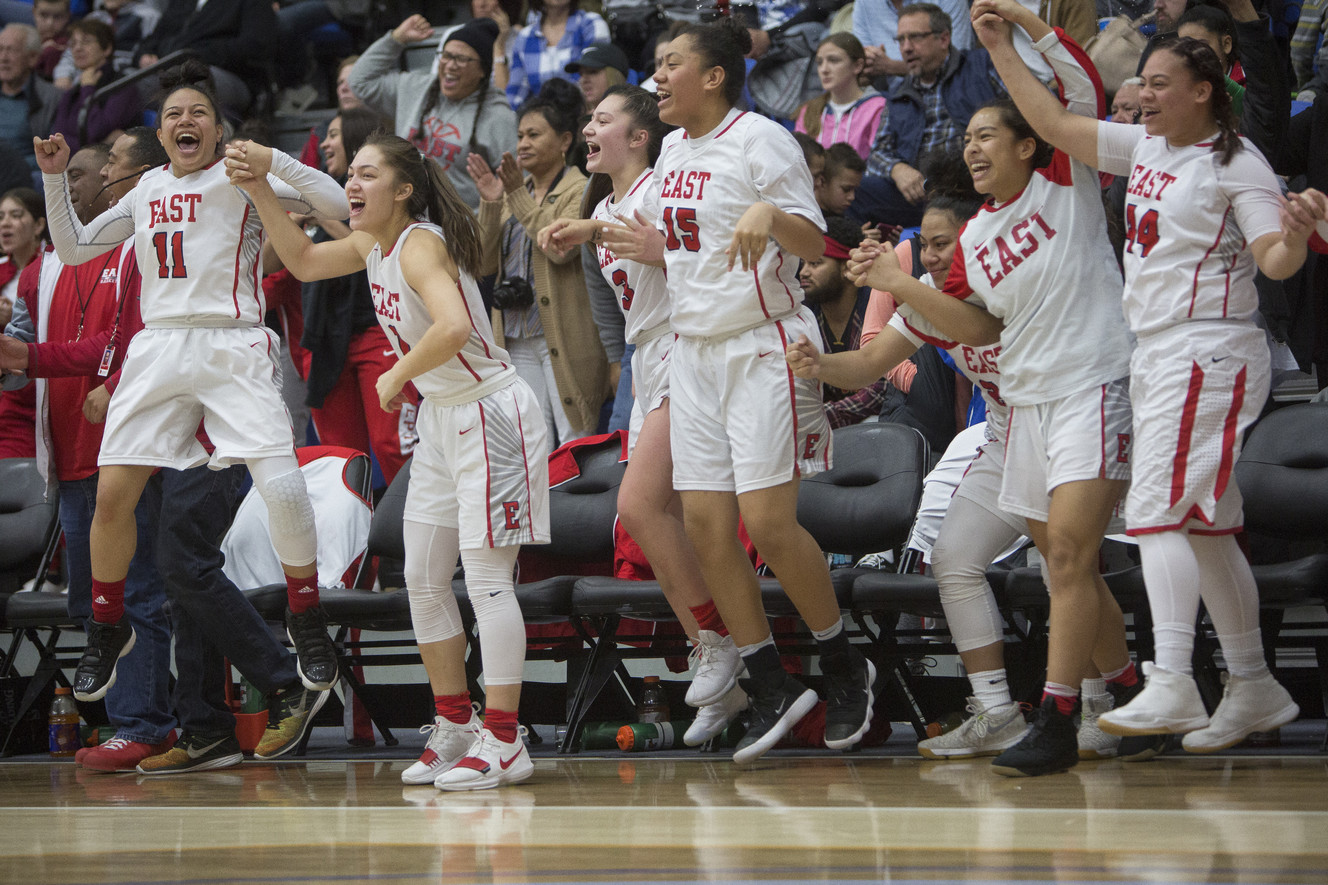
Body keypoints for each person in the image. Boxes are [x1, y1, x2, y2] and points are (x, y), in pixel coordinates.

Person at [974, 0, 1328, 751]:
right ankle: (1254, 683)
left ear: (1203, 90)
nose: (1144, 93)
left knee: (1158, 514)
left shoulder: (1238, 161)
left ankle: (1169, 678)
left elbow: (1274, 260)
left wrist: (1297, 233)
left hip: (1210, 346)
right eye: (1141, 83)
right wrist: (1003, 45)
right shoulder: (1149, 149)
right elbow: (1052, 124)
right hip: (1160, 350)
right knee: (1205, 527)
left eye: (1160, 83)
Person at [847, 5, 1145, 777]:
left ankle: (1059, 714)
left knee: (1070, 555)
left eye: (990, 134)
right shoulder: (975, 239)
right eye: (968, 135)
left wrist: (1008, 39)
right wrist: (894, 284)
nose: (974, 145)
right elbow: (970, 327)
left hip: (1093, 380)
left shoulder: (1065, 179)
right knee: (1060, 559)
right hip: (1026, 407)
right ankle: (1127, 690)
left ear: (1026, 144)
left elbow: (1075, 94)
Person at [225, 131, 552, 792]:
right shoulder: (373, 244)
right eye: (351, 174)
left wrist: (396, 371)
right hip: (443, 418)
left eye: (367, 174)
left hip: (491, 411)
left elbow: (455, 325)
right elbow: (303, 261)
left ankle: (508, 739)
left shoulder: (422, 242)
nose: (352, 184)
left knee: (488, 580)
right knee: (425, 577)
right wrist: (260, 189)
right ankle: (455, 723)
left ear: (404, 189)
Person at [603, 17, 876, 765]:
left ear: (714, 75)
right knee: (706, 528)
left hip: (765, 347)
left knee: (768, 520)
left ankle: (846, 664)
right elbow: (690, 247)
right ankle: (769, 682)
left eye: (670, 64)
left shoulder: (762, 140)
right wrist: (617, 238)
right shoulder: (670, 148)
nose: (657, 78)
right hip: (695, 352)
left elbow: (817, 244)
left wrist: (772, 214)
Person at [34, 60, 345, 705]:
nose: (185, 120)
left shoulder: (242, 180)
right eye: (173, 113)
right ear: (160, 127)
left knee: (282, 483)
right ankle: (105, 623)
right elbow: (73, 249)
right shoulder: (146, 187)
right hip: (160, 344)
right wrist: (54, 181)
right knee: (112, 493)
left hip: (232, 340)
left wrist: (273, 162)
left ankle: (307, 614)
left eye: (197, 112)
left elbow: (336, 204)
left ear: (219, 128)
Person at [538, 84, 748, 745]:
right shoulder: (602, 204)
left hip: (688, 349)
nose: (590, 127)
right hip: (647, 358)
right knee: (675, 519)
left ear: (639, 136)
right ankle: (724, 659)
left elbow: (686, 252)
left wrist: (599, 230)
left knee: (639, 506)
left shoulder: (658, 187)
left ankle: (720, 641)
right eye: (589, 119)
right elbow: (617, 301)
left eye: (603, 118)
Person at [0, 143, 178, 772]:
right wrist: (10, 356)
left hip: (130, 453)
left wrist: (30, 358)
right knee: (90, 603)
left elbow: (125, 343)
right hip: (70, 452)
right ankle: (124, 721)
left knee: (137, 593)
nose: (71, 185)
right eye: (64, 176)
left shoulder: (141, 250)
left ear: (111, 178)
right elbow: (17, 362)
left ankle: (146, 725)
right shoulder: (38, 271)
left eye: (79, 173)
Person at [275, 107, 417, 489]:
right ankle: (356, 545)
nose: (324, 143)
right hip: (324, 340)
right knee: (339, 459)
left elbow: (368, 250)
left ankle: (411, 539)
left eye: (334, 135)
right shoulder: (316, 200)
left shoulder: (390, 210)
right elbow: (297, 264)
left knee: (392, 446)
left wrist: (322, 217)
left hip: (379, 333)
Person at [467, 78, 609, 447]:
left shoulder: (580, 189)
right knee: (532, 444)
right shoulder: (519, 192)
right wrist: (493, 202)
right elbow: (482, 264)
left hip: (563, 334)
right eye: (520, 135)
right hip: (514, 334)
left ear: (565, 141)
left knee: (574, 438)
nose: (523, 144)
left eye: (534, 134)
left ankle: (571, 508)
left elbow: (561, 248)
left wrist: (515, 195)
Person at [855, 4, 1005, 228]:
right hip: (920, 193)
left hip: (973, 184)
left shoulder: (981, 65)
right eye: (901, 40)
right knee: (853, 194)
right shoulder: (901, 93)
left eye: (914, 38)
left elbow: (1018, 113)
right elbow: (878, 153)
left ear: (944, 39)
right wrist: (898, 170)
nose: (905, 48)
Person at [350, 15, 517, 211]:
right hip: (404, 217)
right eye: (446, 55)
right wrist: (396, 39)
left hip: (461, 225)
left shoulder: (499, 116)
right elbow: (359, 82)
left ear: (482, 70)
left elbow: (513, 184)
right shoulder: (414, 87)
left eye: (462, 59)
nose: (450, 64)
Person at [796, 215, 890, 429]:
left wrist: (819, 418)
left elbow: (882, 388)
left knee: (874, 424)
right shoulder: (804, 314)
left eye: (816, 263)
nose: (804, 272)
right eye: (802, 263)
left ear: (847, 268)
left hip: (874, 424)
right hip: (821, 427)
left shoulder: (877, 303)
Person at [135, 0, 278, 116]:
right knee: (129, 87)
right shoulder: (181, 3)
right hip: (168, 68)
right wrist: (144, 54)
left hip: (230, 75)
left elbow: (256, 44)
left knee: (194, 81)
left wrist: (200, 54)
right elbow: (154, 37)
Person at [50, 18, 142, 153]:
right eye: (73, 43)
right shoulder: (74, 90)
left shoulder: (122, 87)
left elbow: (94, 131)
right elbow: (58, 138)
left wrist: (88, 89)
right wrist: (97, 145)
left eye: (86, 42)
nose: (77, 48)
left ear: (107, 49)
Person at [794, 32, 886, 161]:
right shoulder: (808, 110)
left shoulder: (878, 107)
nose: (824, 69)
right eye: (820, 62)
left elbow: (878, 160)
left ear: (857, 66)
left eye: (833, 60)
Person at [506, 0, 610, 110]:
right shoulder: (525, 37)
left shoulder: (591, 24)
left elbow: (596, 81)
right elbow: (515, 95)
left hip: (584, 115)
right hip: (542, 119)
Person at [0, 24, 59, 181]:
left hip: (22, 177)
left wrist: (10, 166)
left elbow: (52, 151)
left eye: (12, 50)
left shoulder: (52, 98)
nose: (3, 58)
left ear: (32, 58)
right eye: (0, 49)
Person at [565, 41, 629, 113]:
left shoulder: (635, 119)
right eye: (580, 74)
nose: (583, 80)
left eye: (592, 72)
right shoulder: (578, 122)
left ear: (615, 75)